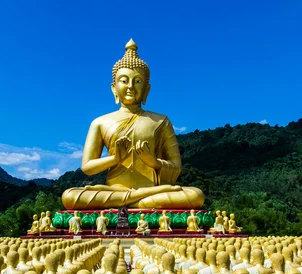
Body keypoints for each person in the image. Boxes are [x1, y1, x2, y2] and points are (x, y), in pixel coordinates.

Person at [61, 40, 204, 209]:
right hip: (118, 191)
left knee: (196, 195)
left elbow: (176, 167)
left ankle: (126, 203)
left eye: (137, 81)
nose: (130, 87)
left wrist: (154, 162)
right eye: (124, 81)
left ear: (146, 89)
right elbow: (87, 167)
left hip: (151, 190)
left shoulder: (161, 121)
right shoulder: (99, 122)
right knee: (69, 196)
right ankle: (139, 202)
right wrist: (115, 158)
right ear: (114, 88)